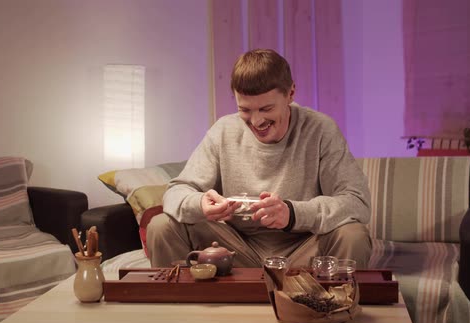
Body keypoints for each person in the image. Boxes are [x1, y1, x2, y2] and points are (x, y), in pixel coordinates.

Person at [147, 48, 372, 269]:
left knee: (353, 235)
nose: (256, 121)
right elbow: (175, 194)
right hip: (235, 251)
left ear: (291, 94)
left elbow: (357, 202)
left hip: (304, 251)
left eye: (266, 108)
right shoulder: (223, 130)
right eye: (245, 110)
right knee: (161, 226)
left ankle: (338, 304)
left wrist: (293, 214)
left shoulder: (321, 130)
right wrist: (200, 204)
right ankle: (180, 305)